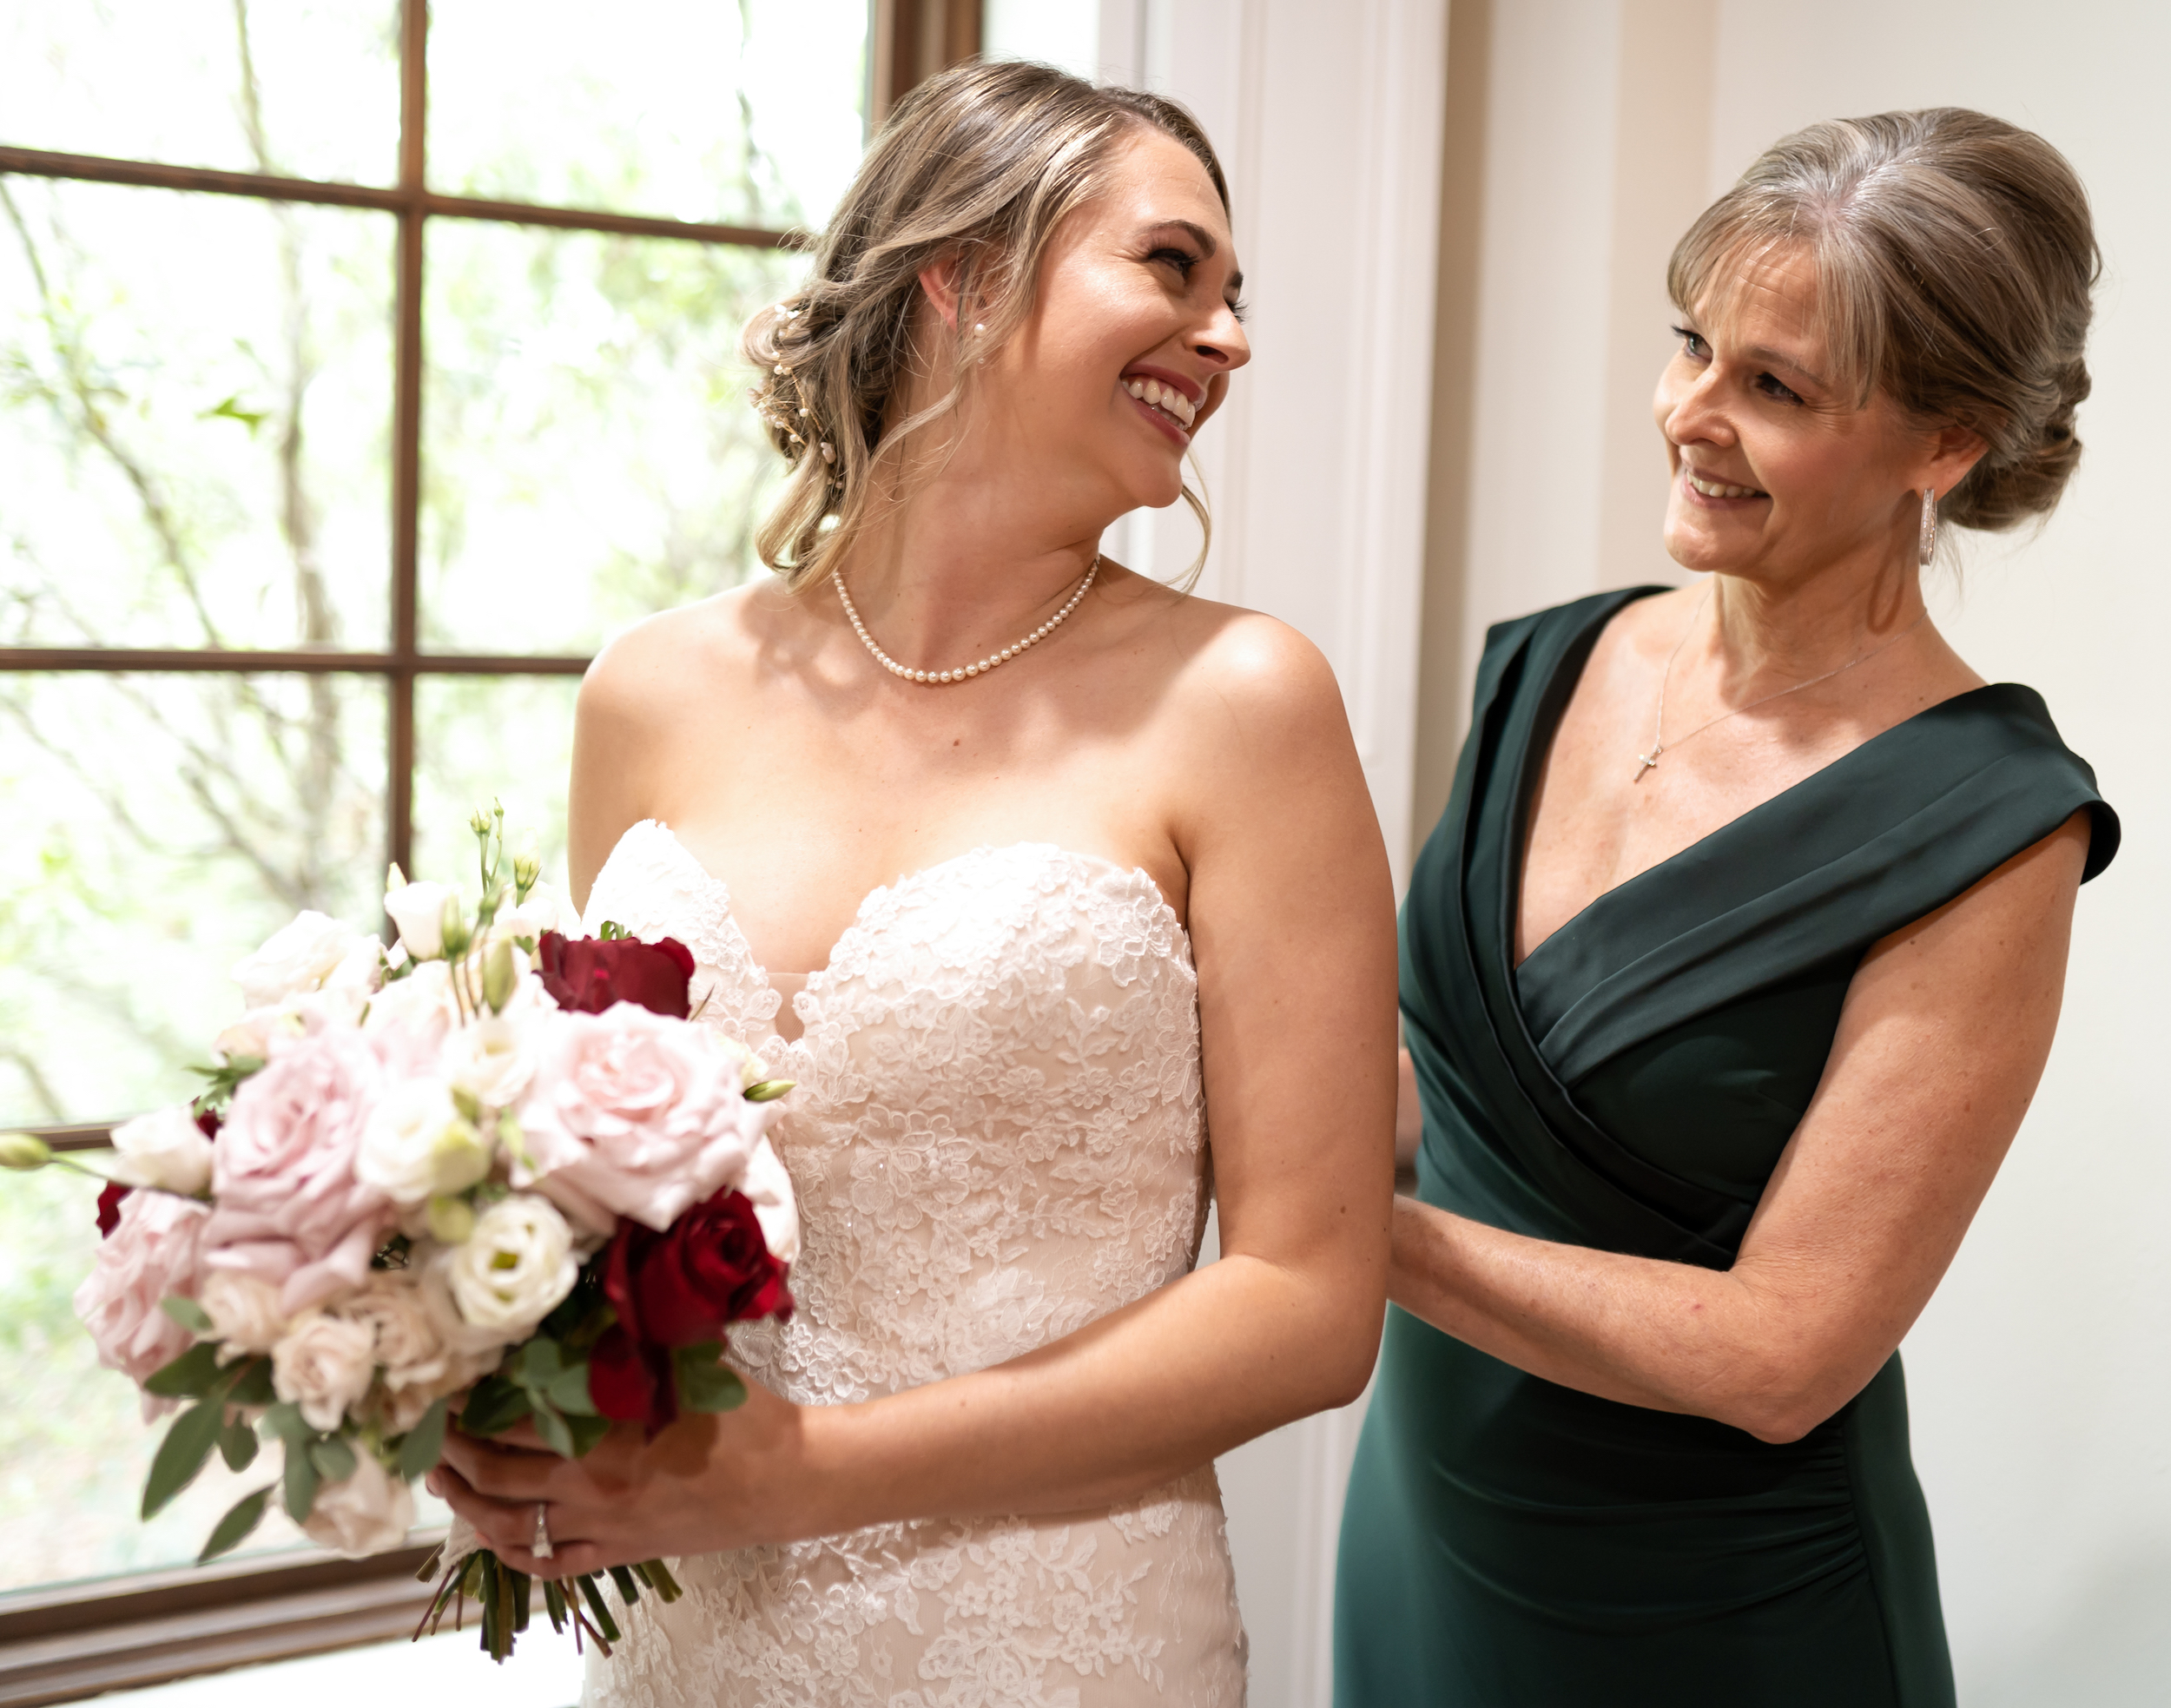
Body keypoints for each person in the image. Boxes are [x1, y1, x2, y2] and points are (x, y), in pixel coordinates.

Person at [429, 61, 1398, 1705]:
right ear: (962, 272)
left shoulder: (1247, 703)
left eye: (1239, 298)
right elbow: (600, 1185)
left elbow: (1310, 1301)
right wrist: (519, 1408)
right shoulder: (648, 692)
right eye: (1173, 269)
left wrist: (804, 1474)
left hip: (1059, 1633)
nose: (1228, 337)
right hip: (691, 1639)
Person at [1334, 109, 2118, 1706]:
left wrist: (1327, 1232)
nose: (1691, 414)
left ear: (1946, 441)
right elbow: (1445, 1108)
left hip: (1719, 1623)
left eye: (1775, 389)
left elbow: (1783, 1355)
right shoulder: (1547, 664)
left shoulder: (1987, 823)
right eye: (1693, 344)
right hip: (1424, 1548)